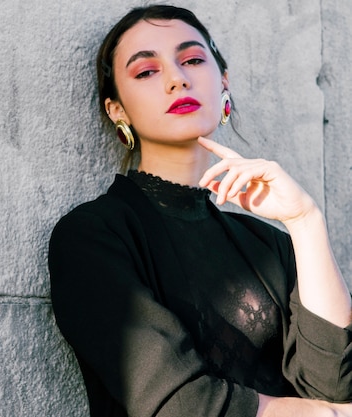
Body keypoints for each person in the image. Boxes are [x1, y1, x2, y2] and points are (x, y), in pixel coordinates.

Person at [48, 5, 352, 417]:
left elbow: (336, 386)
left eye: (192, 60)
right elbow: (179, 403)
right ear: (116, 110)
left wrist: (305, 221)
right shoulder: (93, 235)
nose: (177, 78)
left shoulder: (271, 244)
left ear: (223, 83)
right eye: (146, 72)